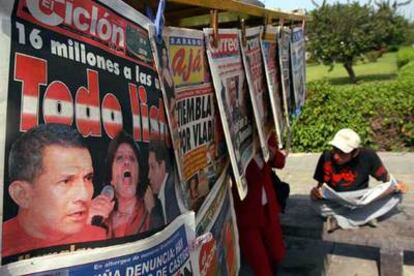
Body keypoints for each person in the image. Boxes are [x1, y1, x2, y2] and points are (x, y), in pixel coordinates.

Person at [3, 124, 106, 257]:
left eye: (88, 178)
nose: (84, 195)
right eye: (66, 181)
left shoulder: (99, 236)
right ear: (22, 195)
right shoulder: (4, 244)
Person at [310, 128, 408, 232]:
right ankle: (365, 216)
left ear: (355, 152)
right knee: (316, 204)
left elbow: (386, 179)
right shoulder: (326, 157)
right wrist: (316, 193)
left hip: (361, 198)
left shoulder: (368, 156)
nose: (336, 156)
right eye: (334, 149)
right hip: (336, 199)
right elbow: (320, 185)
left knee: (396, 196)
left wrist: (398, 185)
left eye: (342, 153)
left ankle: (341, 220)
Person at [232, 133, 286, 276]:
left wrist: (273, 154)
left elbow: (280, 162)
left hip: (268, 209)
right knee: (260, 264)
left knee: (276, 253)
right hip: (247, 213)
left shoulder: (266, 133)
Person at [89, 131, 150, 238]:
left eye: (132, 158)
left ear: (139, 176)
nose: (127, 161)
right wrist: (87, 220)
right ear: (111, 178)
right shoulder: (100, 219)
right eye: (120, 158)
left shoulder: (151, 213)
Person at [145, 141, 180, 228]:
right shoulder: (167, 187)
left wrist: (152, 210)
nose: (149, 175)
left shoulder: (171, 191)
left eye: (153, 167)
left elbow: (171, 234)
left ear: (162, 166)